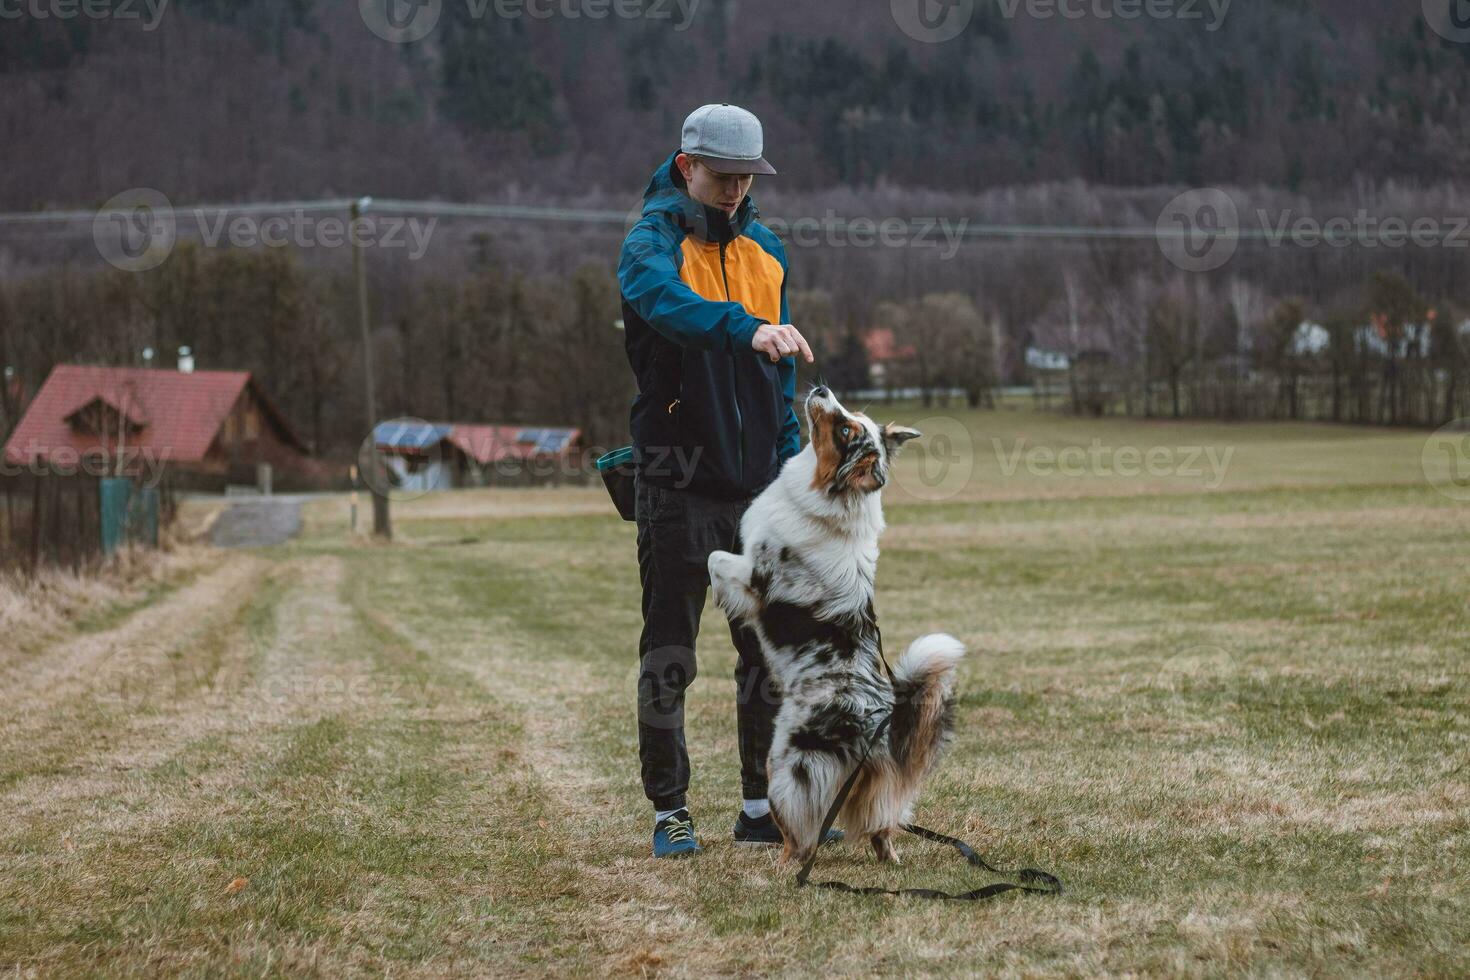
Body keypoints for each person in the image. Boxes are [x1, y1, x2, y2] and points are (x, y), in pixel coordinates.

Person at [617, 103, 835, 858]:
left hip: (755, 492)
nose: (736, 189)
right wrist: (745, 327)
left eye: (747, 177)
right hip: (675, 481)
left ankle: (758, 805)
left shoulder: (767, 251)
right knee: (671, 651)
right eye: (723, 176)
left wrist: (790, 478)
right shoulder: (649, 244)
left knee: (764, 658)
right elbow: (673, 311)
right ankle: (669, 809)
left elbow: (776, 385)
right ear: (687, 168)